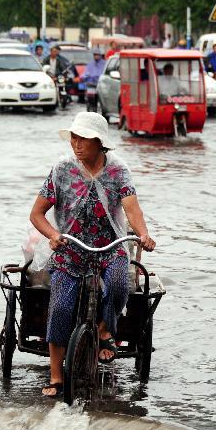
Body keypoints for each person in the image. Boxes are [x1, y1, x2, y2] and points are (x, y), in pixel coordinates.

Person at [30, 112, 156, 398]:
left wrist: (143, 234)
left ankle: (103, 329)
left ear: (99, 142)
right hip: (70, 248)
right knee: (60, 307)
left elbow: (131, 208)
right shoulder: (62, 170)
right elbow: (37, 214)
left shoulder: (118, 171)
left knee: (119, 285)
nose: (76, 144)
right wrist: (53, 235)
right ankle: (56, 375)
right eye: (73, 138)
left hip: (110, 247)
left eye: (83, 139)